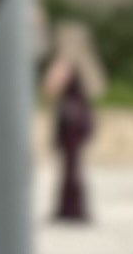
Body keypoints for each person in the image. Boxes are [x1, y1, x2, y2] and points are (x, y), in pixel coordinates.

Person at [40, 20, 101, 224]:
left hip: (69, 120)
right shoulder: (84, 61)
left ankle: (70, 209)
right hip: (82, 118)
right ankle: (75, 208)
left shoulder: (65, 63)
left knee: (69, 168)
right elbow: (98, 89)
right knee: (74, 166)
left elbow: (49, 89)